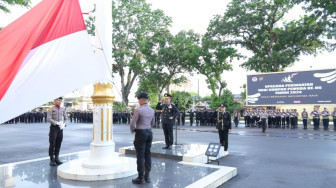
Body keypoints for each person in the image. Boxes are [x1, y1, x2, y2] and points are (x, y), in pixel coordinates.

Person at [130, 92, 154, 184]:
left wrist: (133, 130)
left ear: (141, 99)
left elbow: (132, 124)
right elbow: (153, 123)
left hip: (140, 133)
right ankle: (147, 177)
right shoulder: (152, 110)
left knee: (140, 155)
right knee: (147, 154)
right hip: (149, 133)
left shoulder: (138, 110)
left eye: (138, 100)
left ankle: (141, 177)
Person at [47, 97, 67, 166]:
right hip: (54, 128)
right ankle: (51, 159)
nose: (60, 101)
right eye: (58, 100)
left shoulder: (62, 109)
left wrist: (64, 124)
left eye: (60, 100)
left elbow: (66, 118)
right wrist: (56, 123)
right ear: (55, 101)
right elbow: (48, 119)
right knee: (52, 143)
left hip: (60, 128)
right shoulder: (51, 109)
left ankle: (57, 158)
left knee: (59, 142)